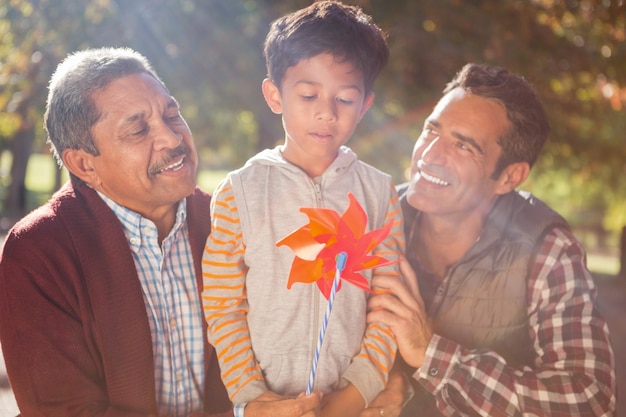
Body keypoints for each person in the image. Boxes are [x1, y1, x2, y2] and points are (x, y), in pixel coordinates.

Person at [0, 46, 325, 417]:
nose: (173, 139)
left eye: (172, 114)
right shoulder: (38, 251)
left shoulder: (235, 221)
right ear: (84, 164)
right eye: (138, 129)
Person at [366, 63, 617, 416]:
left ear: (509, 177)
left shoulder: (548, 252)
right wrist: (388, 377)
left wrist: (431, 356)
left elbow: (589, 401)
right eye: (431, 130)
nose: (430, 155)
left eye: (464, 146)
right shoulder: (373, 218)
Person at [201, 2, 404, 417]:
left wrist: (357, 393)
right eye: (308, 94)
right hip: (268, 403)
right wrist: (252, 396)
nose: (326, 112)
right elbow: (223, 306)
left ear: (365, 104)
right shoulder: (239, 192)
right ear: (274, 94)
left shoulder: (381, 194)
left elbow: (388, 306)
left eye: (345, 99)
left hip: (350, 403)